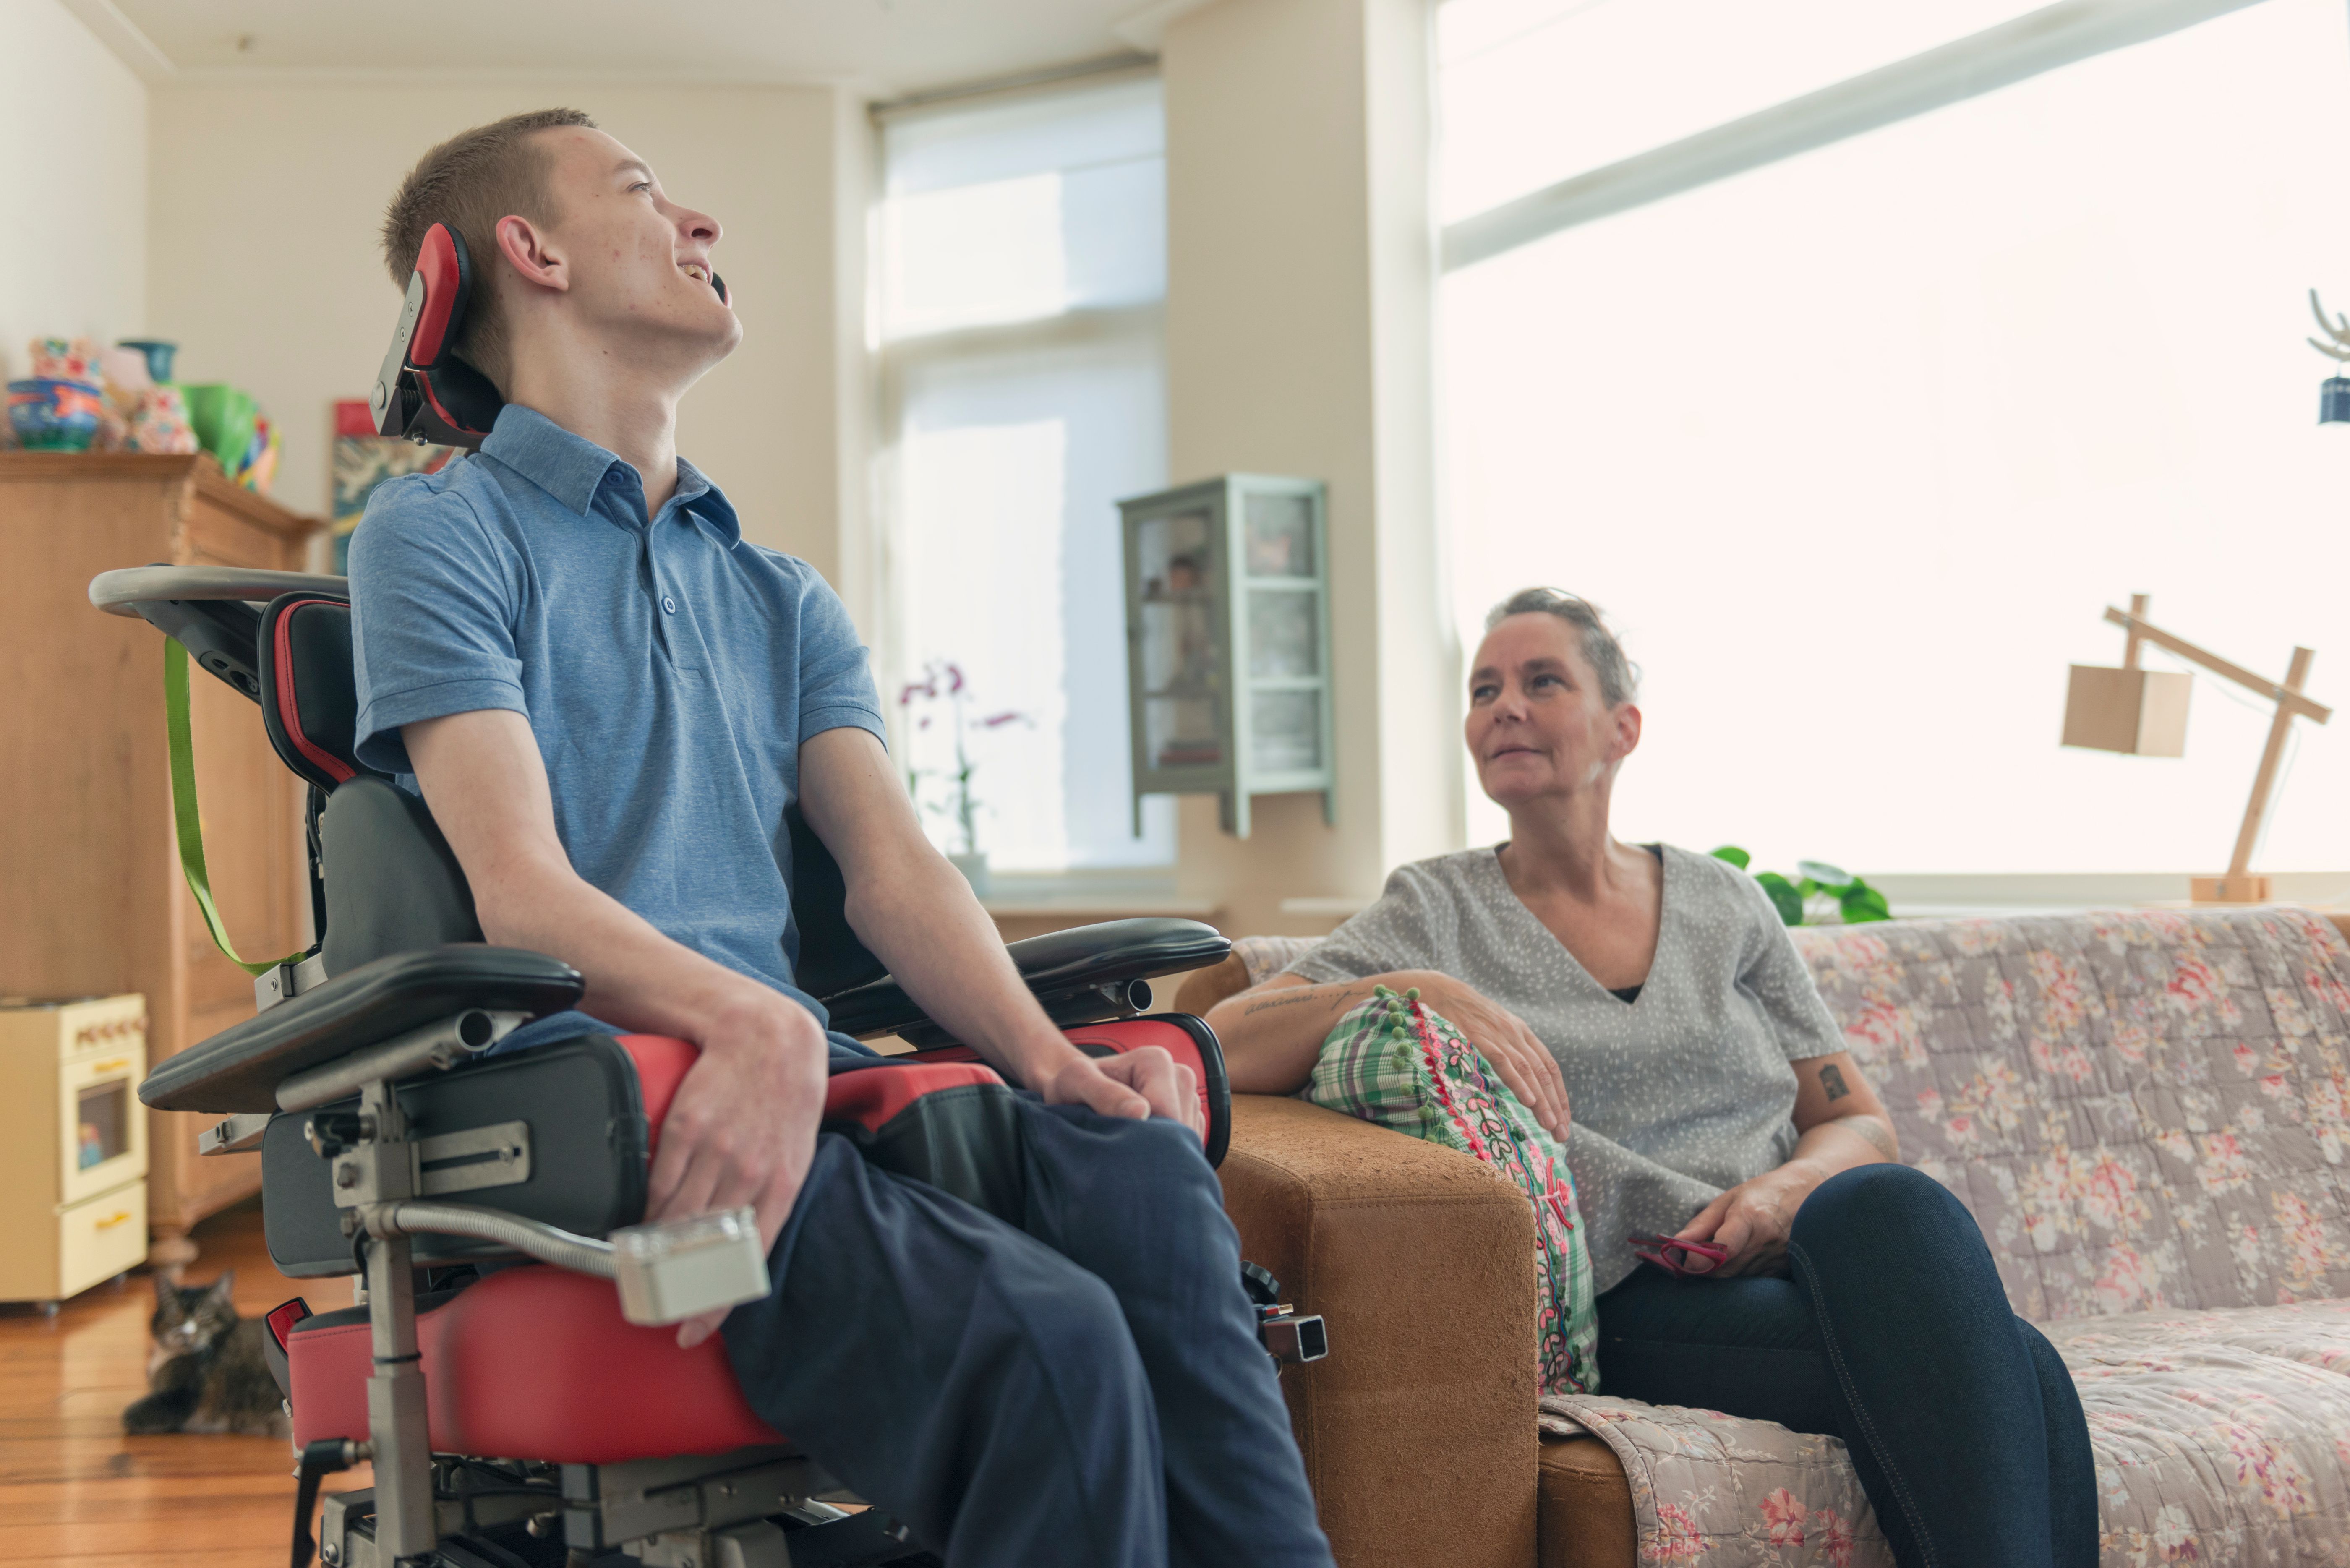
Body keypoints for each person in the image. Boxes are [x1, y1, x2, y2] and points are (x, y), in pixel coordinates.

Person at [346, 108, 1333, 1568]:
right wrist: (752, 1019)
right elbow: (522, 892)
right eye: (642, 189)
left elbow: (895, 875)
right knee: (1051, 1345)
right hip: (620, 1107)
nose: (701, 223)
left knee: (1143, 1179)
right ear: (529, 251)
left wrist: (1056, 1065)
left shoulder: (780, 593)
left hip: (802, 1075)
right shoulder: (439, 539)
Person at [1208, 587, 2096, 1568]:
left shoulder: (1726, 902)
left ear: (1622, 727)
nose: (1503, 706)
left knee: (1888, 1200)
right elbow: (1224, 1034)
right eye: (1483, 688)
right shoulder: (1436, 907)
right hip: (1640, 1290)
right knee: (2024, 1370)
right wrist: (1406, 987)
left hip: (1798, 1252)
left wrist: (1783, 1189)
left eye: (1541, 681)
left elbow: (1859, 1123)